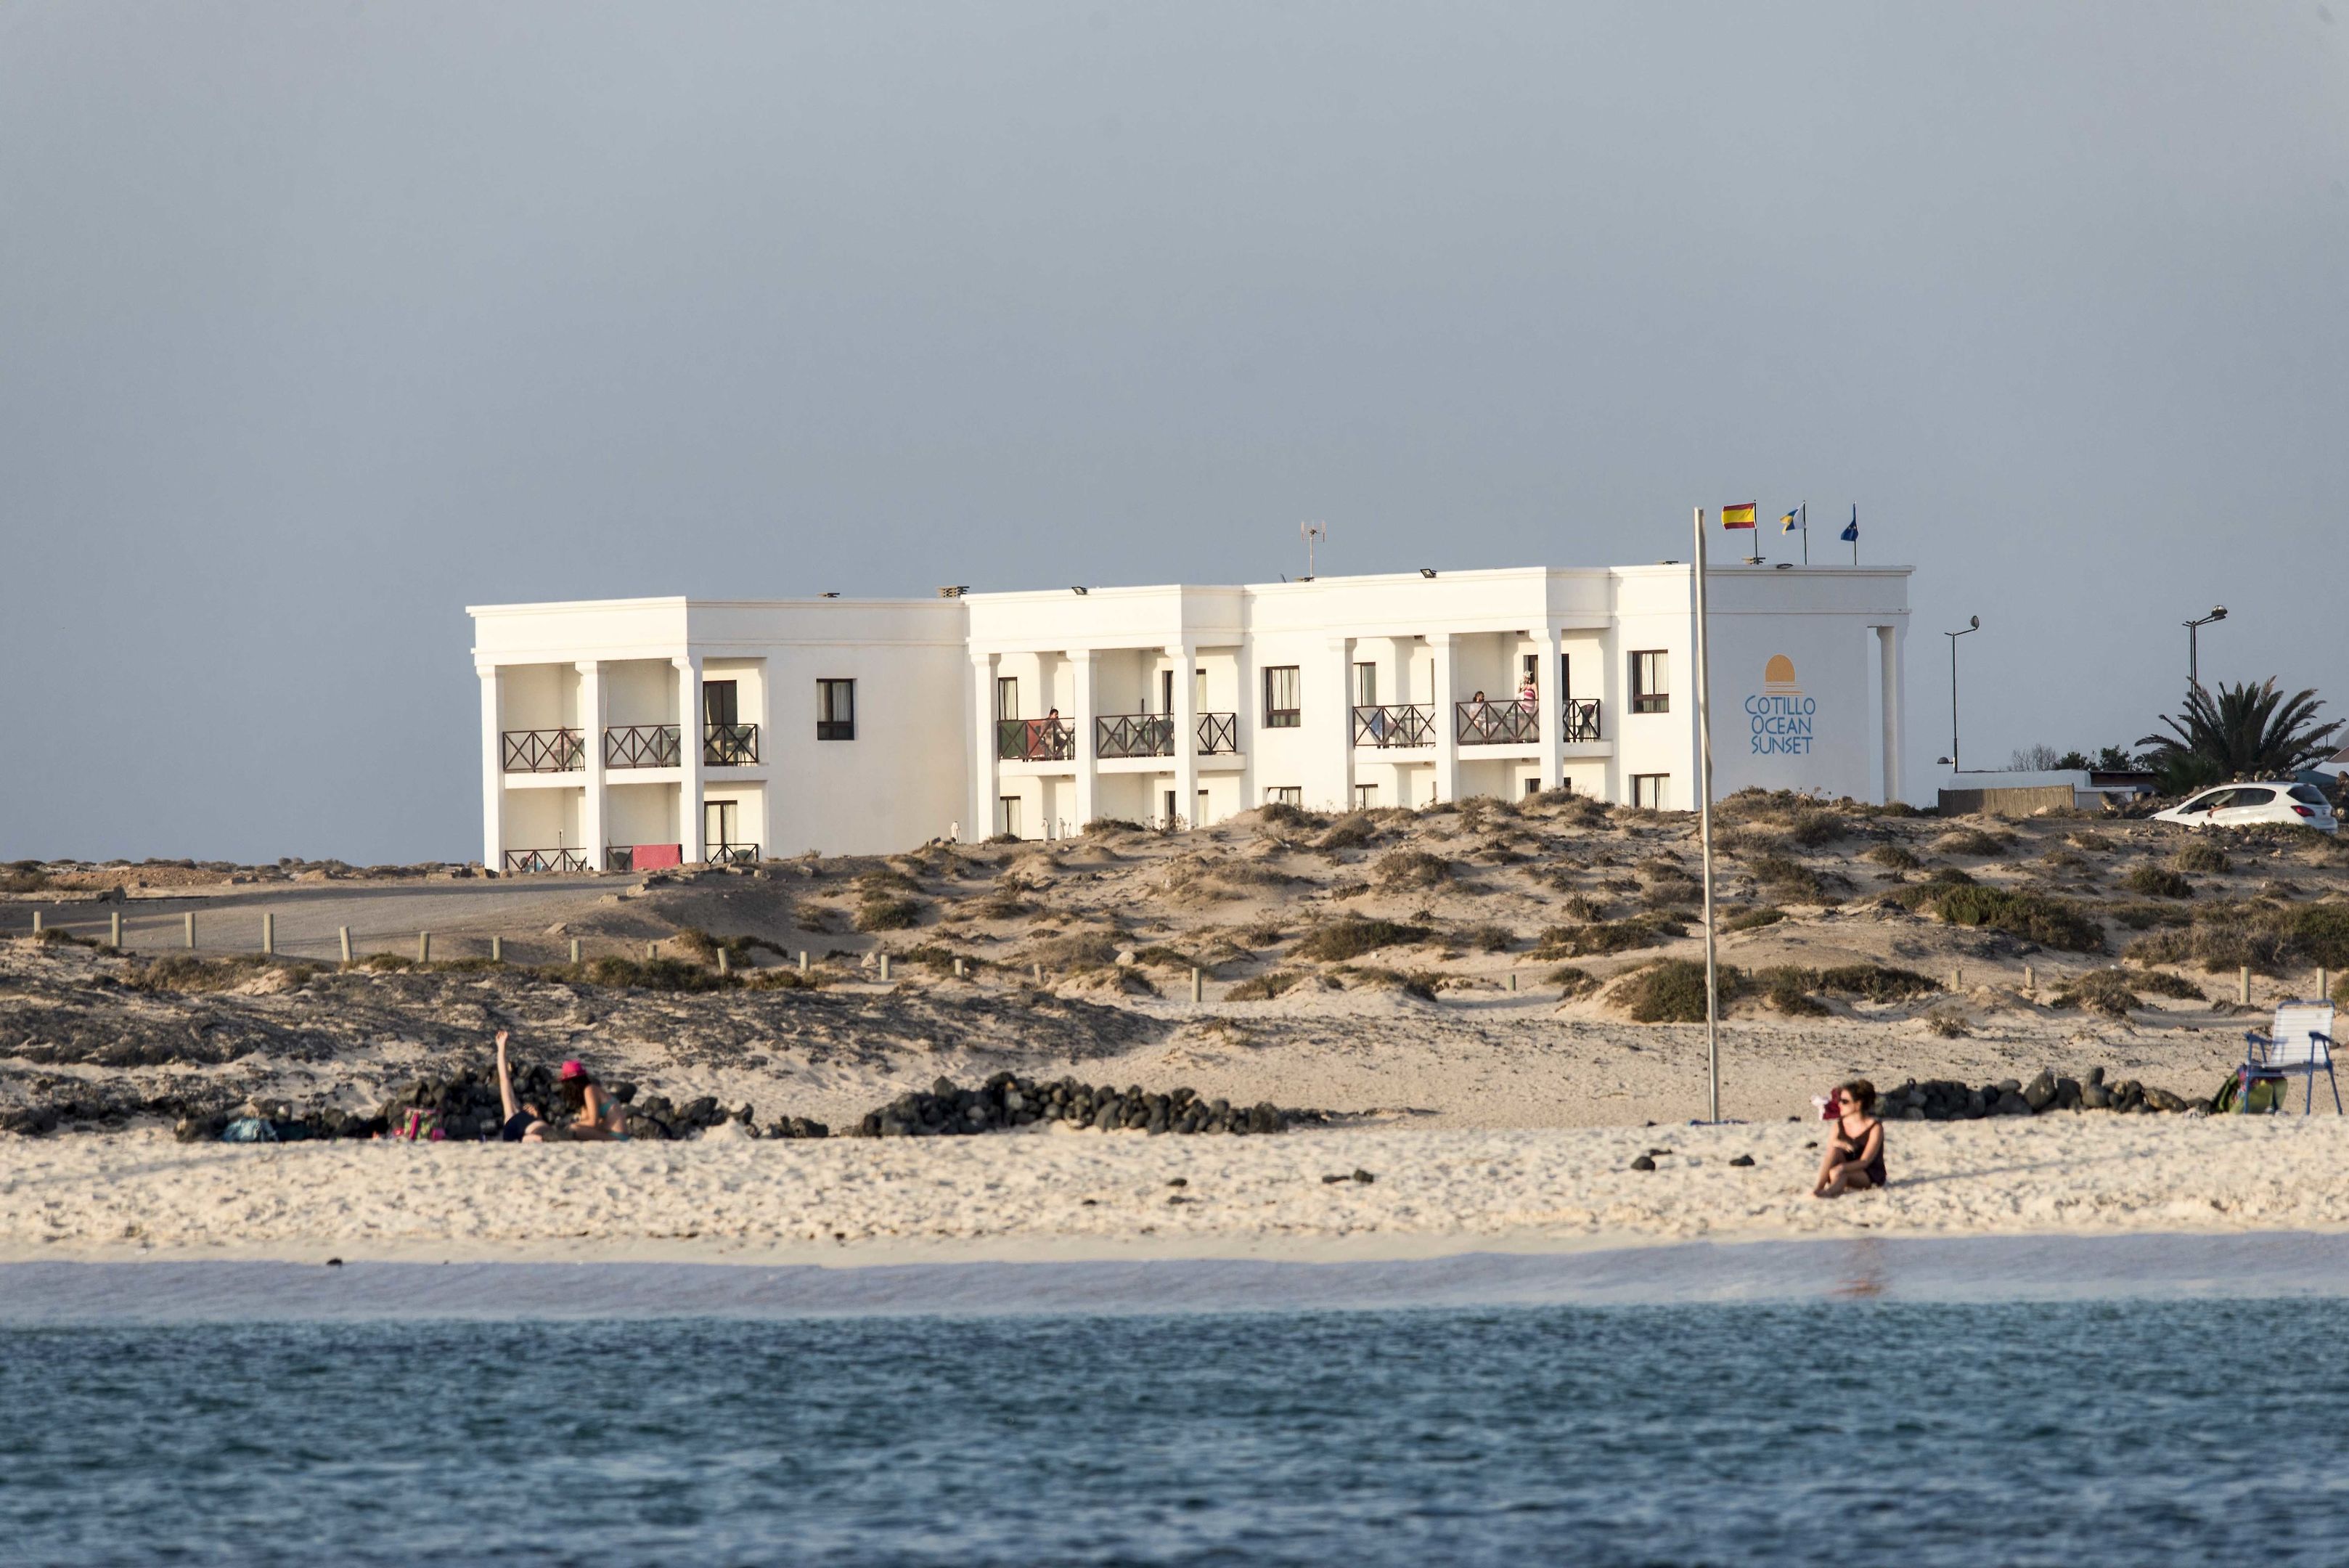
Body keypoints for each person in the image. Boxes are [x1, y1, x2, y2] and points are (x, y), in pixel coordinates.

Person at [1813, 1080, 1885, 1197]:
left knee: (1840, 1173)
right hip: (1845, 1165)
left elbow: (1865, 1162)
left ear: (1858, 1104)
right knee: (1834, 1152)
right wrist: (1840, 1144)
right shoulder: (1839, 1125)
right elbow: (1830, 1152)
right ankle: (1817, 1189)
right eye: (1839, 1100)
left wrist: (1842, 1168)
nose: (1839, 1104)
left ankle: (1828, 1193)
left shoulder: (1875, 1127)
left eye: (1845, 1102)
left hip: (1868, 1173)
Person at [493, 1030, 551, 1143]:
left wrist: (538, 1115)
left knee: (536, 1136)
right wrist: (501, 1047)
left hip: (532, 1130)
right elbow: (504, 1079)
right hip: (533, 1130)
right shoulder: (512, 1111)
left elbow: (504, 1079)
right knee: (539, 1136)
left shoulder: (512, 1113)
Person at [557, 1059, 625, 1140]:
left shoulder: (590, 1090)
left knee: (573, 1129)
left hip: (616, 1137)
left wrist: (570, 1125)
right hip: (611, 1135)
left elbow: (593, 1123)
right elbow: (586, 1120)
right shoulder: (588, 1094)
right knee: (572, 1129)